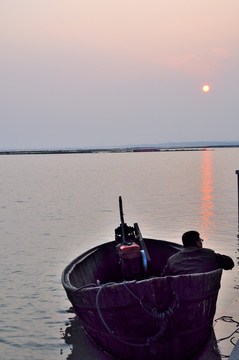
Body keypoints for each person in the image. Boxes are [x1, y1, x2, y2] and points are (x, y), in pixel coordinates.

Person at [162, 230, 234, 276]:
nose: (201, 242)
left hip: (182, 295)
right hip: (206, 291)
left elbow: (164, 278)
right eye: (200, 240)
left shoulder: (172, 260)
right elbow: (230, 263)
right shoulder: (210, 254)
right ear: (197, 242)